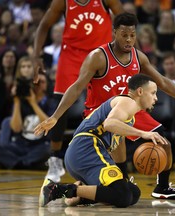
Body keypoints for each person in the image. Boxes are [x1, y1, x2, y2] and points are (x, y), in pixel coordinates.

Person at [34, 13, 175, 202]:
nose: (128, 39)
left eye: (132, 35)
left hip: (128, 108)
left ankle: (162, 187)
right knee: (118, 162)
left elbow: (162, 82)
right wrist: (56, 116)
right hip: (100, 112)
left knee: (161, 139)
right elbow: (77, 87)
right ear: (114, 33)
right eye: (124, 35)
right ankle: (97, 187)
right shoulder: (98, 57)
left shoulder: (139, 57)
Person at [35, 74, 166, 207]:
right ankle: (57, 190)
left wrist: (122, 174)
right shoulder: (129, 102)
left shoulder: (128, 113)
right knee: (123, 195)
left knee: (133, 193)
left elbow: (118, 144)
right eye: (153, 93)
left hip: (80, 153)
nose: (156, 98)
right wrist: (144, 133)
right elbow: (109, 123)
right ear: (140, 91)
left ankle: (80, 195)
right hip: (87, 148)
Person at [32, 0, 124, 184]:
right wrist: (36, 56)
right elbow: (44, 25)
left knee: (112, 106)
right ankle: (55, 159)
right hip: (72, 54)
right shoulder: (63, 2)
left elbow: (123, 21)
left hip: (101, 54)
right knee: (61, 103)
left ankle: (116, 165)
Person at [0, 57, 54, 169]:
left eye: (41, 82)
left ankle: (16, 163)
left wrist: (33, 103)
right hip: (20, 145)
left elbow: (48, 125)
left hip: (39, 145)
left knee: (48, 149)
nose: (38, 85)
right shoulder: (21, 100)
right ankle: (26, 163)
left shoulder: (50, 102)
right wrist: (16, 102)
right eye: (36, 82)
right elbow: (16, 128)